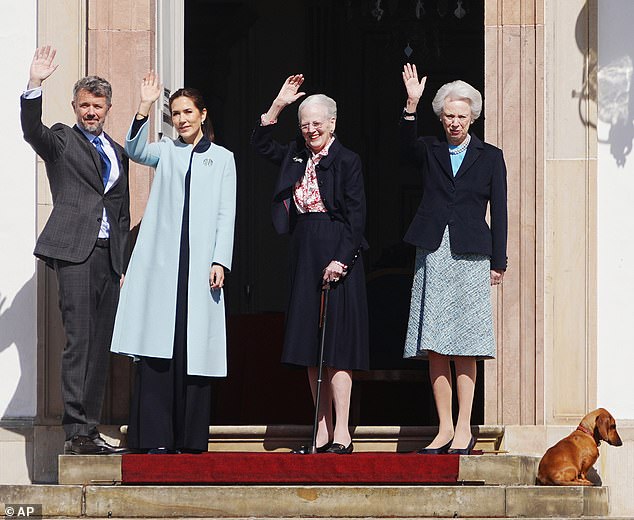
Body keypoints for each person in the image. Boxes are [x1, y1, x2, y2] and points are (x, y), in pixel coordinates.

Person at [110, 72, 236, 454]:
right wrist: (145, 106)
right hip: (163, 269)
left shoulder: (223, 159)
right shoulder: (165, 150)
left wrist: (220, 260)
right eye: (175, 114)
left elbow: (225, 215)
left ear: (202, 114)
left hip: (201, 270)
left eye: (187, 112)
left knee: (192, 351)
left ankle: (191, 441)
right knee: (158, 351)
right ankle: (156, 440)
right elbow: (133, 149)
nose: (181, 119)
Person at [20, 46, 131, 455]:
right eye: (84, 104)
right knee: (79, 342)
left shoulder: (117, 152)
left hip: (107, 258)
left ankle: (90, 428)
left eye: (97, 105)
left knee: (100, 346)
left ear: (107, 108)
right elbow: (33, 131)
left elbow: (121, 212)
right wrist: (34, 84)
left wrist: (122, 263)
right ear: (75, 106)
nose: (90, 111)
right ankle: (74, 432)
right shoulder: (62, 141)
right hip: (74, 254)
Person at [251, 75, 369, 454]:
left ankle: (343, 434)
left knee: (337, 347)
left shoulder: (347, 160)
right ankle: (320, 431)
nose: (311, 129)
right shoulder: (296, 154)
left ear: (333, 123)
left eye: (317, 122)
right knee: (308, 344)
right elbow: (259, 143)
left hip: (338, 252)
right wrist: (278, 106)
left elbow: (357, 216)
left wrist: (341, 260)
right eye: (304, 123)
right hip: (304, 249)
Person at [400, 63, 508, 455]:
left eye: (462, 116)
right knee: (436, 344)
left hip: (472, 252)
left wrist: (500, 261)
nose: (455, 122)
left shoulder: (490, 156)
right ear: (440, 117)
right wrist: (410, 106)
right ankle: (443, 427)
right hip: (434, 250)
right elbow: (401, 150)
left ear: (473, 117)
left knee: (465, 341)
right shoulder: (429, 149)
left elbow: (502, 208)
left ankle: (464, 427)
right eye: (449, 115)